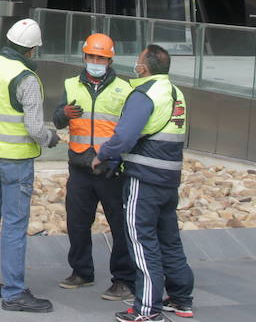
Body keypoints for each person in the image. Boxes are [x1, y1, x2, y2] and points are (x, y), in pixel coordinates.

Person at [92, 45, 194, 321]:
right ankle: (182, 298)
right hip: (169, 179)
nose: (135, 65)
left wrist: (102, 155)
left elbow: (124, 136)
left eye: (138, 61)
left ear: (144, 68)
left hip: (144, 180)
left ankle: (147, 309)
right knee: (169, 240)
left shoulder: (145, 93)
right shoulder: (176, 93)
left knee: (141, 240)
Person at [0, 17, 61, 314]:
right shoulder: (25, 79)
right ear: (32, 50)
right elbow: (35, 129)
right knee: (14, 227)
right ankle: (14, 293)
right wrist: (51, 138)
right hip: (16, 162)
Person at [53, 33, 135, 302]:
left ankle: (123, 279)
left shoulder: (124, 89)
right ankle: (81, 271)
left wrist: (119, 159)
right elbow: (56, 119)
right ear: (85, 57)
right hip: (79, 165)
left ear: (109, 60)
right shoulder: (71, 84)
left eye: (101, 57)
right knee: (76, 222)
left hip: (110, 168)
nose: (95, 61)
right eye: (92, 56)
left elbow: (130, 128)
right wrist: (63, 114)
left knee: (119, 225)